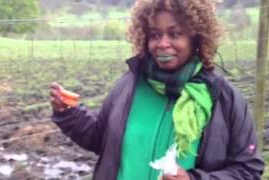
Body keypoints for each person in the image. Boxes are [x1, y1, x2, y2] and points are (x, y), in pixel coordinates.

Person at [49, 0, 265, 179]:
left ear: (196, 37)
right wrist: (67, 113)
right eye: (154, 35)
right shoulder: (130, 85)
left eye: (174, 34)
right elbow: (101, 139)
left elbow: (247, 169)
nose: (162, 43)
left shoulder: (223, 99)